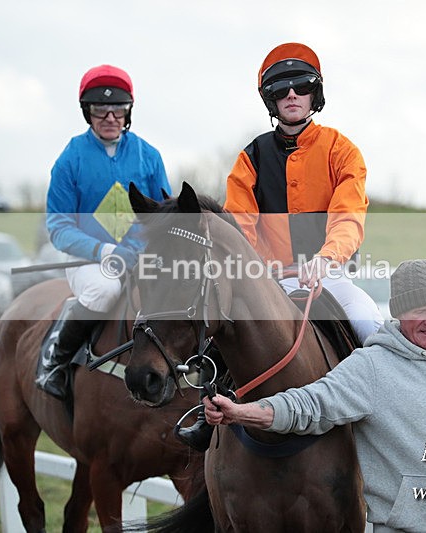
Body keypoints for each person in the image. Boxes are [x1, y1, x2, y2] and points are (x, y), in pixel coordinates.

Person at [203, 259, 426, 532]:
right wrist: (241, 412)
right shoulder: (371, 367)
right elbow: (308, 406)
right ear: (397, 312)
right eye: (418, 310)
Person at [176, 42, 383, 450]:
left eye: (301, 86)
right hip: (268, 282)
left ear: (314, 95)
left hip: (330, 277)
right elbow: (239, 227)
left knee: (370, 324)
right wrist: (255, 270)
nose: (292, 94)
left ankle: (389, 415)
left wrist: (326, 258)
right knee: (221, 332)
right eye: (281, 88)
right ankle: (208, 411)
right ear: (270, 98)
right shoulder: (249, 158)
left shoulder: (342, 151)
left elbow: (348, 217)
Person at [36, 64, 171, 400]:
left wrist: (142, 249)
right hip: (88, 258)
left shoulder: (148, 156)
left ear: (128, 112)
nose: (110, 117)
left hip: (140, 255)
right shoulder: (70, 159)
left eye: (118, 109)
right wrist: (106, 252)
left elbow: (164, 214)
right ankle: (56, 359)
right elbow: (58, 227)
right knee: (105, 291)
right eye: (100, 109)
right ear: (88, 113)